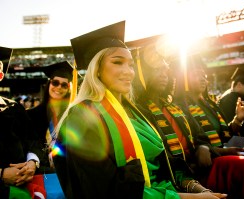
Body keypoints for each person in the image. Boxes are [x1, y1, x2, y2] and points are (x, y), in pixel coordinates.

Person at [52, 21, 227, 199]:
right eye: (118, 62)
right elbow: (103, 190)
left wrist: (194, 187)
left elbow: (166, 162)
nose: (128, 71)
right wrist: (187, 198)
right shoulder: (83, 117)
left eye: (130, 64)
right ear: (96, 70)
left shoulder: (137, 112)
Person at [133, 47, 244, 199]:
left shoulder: (176, 108)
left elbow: (200, 137)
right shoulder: (141, 113)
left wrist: (206, 145)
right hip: (184, 174)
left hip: (202, 165)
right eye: (158, 70)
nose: (164, 76)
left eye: (166, 71)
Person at [0, 46, 43, 198]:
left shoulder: (15, 108)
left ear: (0, 75)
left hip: (23, 188)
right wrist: (1, 174)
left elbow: (32, 140)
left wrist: (32, 163)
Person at [27, 61, 73, 174]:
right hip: (41, 170)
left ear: (69, 89)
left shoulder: (73, 114)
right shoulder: (31, 115)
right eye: (55, 82)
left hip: (67, 170)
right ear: (49, 84)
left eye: (64, 85)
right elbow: (29, 144)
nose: (59, 87)